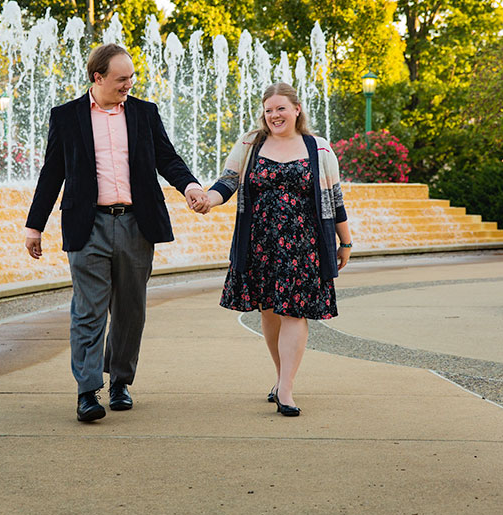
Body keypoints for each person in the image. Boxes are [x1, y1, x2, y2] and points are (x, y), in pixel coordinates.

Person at [25, 43, 208, 422]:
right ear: (98, 77)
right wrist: (34, 226)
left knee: (130, 310)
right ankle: (87, 392)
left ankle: (120, 381)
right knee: (88, 311)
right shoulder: (66, 117)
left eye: (131, 78)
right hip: (86, 224)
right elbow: (51, 173)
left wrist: (190, 185)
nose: (129, 84)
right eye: (121, 79)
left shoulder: (144, 113)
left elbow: (167, 158)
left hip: (135, 224)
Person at [191, 82, 352, 417]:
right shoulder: (251, 143)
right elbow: (228, 182)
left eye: (281, 108)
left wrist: (345, 241)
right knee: (269, 310)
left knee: (294, 312)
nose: (274, 115)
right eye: (268, 110)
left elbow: (334, 199)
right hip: (258, 242)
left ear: (296, 109)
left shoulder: (318, 149)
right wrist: (209, 199)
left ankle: (287, 391)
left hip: (303, 244)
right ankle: (282, 377)